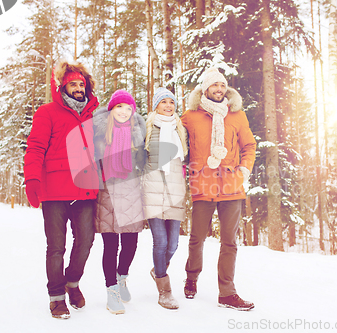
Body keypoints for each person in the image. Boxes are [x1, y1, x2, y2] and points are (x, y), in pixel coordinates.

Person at [24, 59, 99, 319]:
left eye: (82, 84)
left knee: (86, 242)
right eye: (73, 84)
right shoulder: (47, 112)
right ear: (63, 87)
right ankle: (56, 297)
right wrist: (32, 179)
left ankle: (73, 282)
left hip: (85, 190)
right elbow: (35, 147)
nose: (78, 88)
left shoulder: (93, 114)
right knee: (56, 247)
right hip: (54, 190)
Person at [181, 67, 256, 310]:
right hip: (202, 184)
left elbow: (249, 146)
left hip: (231, 186)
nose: (219, 89)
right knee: (197, 238)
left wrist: (244, 170)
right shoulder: (190, 116)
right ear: (205, 88)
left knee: (229, 242)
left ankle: (227, 293)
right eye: (214, 85)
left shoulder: (237, 115)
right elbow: (178, 145)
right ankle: (191, 278)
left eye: (222, 86)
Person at [93, 89, 146, 315]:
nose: (124, 112)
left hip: (131, 191)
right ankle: (111, 290)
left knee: (131, 243)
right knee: (111, 245)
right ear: (111, 109)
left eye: (128, 108)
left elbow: (144, 164)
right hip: (107, 193)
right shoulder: (99, 135)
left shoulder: (138, 135)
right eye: (119, 107)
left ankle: (122, 276)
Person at [143, 88, 188, 310]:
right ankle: (165, 290)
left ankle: (157, 269)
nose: (168, 106)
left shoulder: (181, 130)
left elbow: (184, 163)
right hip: (152, 190)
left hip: (175, 191)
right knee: (160, 242)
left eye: (172, 102)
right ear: (156, 105)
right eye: (164, 102)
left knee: (174, 243)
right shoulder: (148, 128)